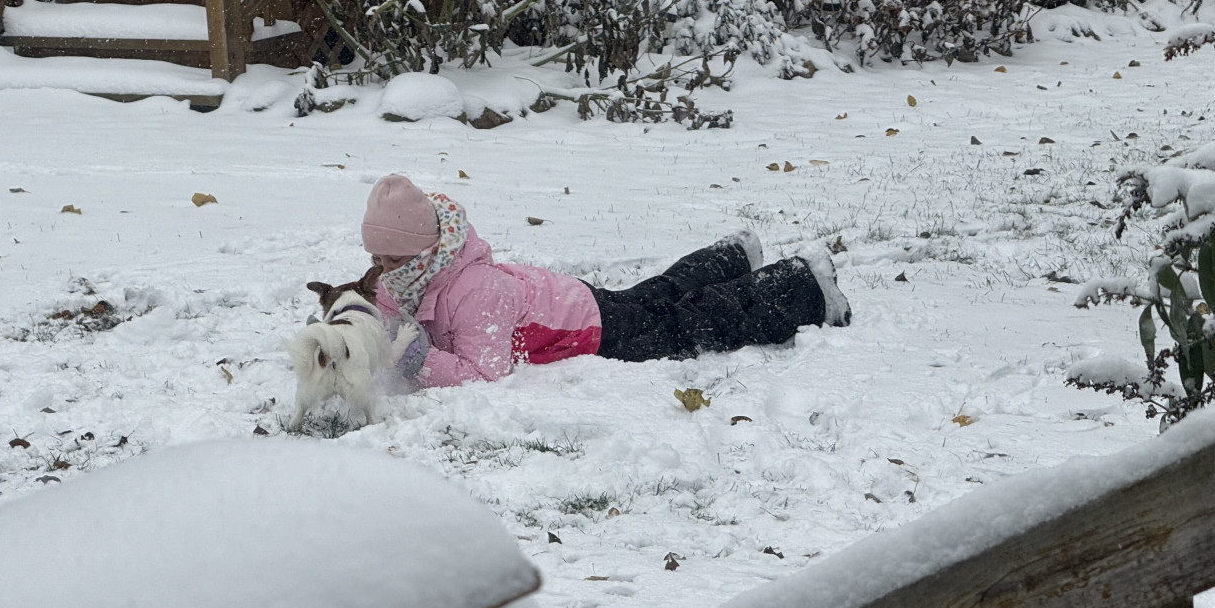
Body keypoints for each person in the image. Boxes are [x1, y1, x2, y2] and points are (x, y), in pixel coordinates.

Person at [361, 174, 850, 388]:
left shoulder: (474, 292)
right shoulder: (405, 278)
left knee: (690, 323)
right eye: (377, 259)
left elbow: (486, 374)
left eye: (393, 259)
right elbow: (384, 315)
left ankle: (802, 285)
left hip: (590, 331)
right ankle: (731, 256)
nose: (383, 271)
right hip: (570, 304)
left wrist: (420, 362)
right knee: (654, 297)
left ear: (427, 251)